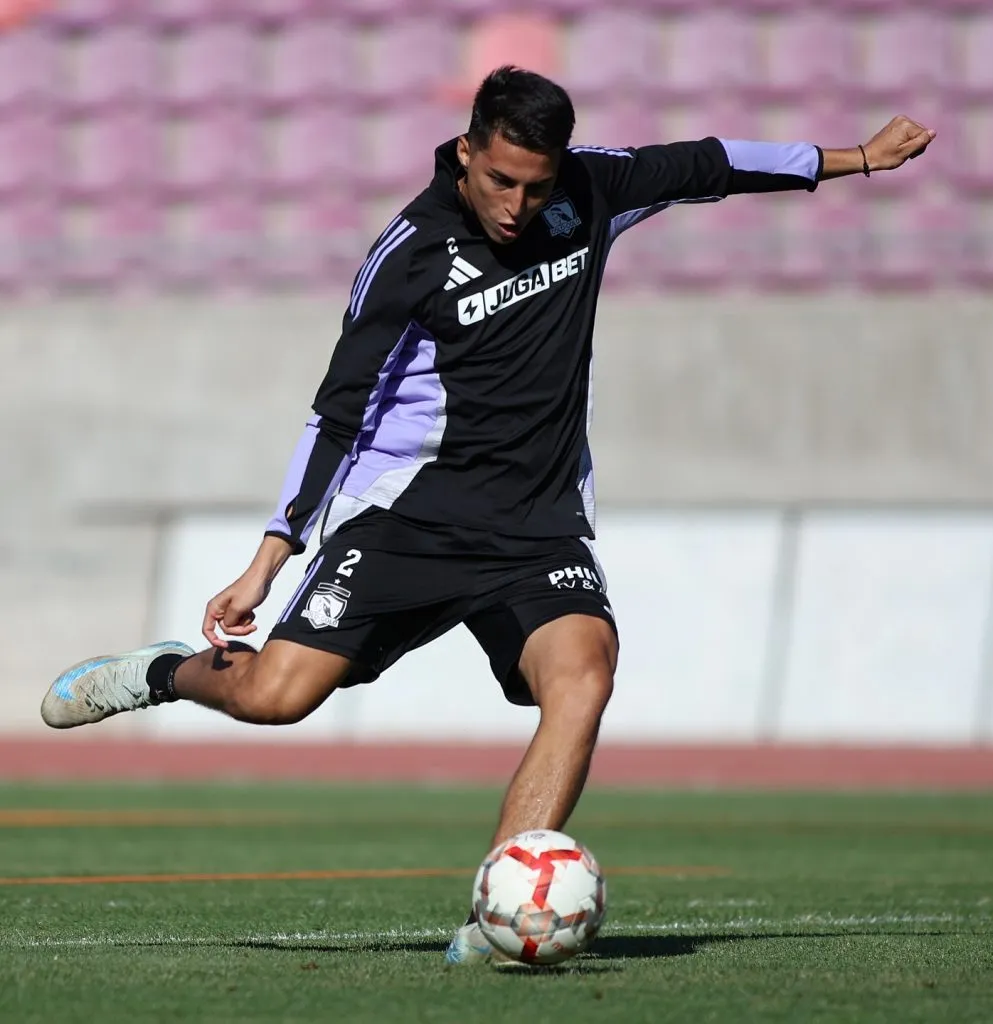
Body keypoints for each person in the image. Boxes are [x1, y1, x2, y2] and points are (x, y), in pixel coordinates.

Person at [40, 66, 935, 964]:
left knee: (582, 679)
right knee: (275, 696)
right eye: (501, 180)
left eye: (535, 188)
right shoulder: (411, 251)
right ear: (466, 151)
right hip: (408, 520)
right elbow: (336, 412)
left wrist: (854, 158)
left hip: (536, 526)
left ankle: (498, 918)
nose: (517, 206)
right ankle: (162, 674)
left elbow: (708, 163)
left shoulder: (589, 191)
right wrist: (270, 556)